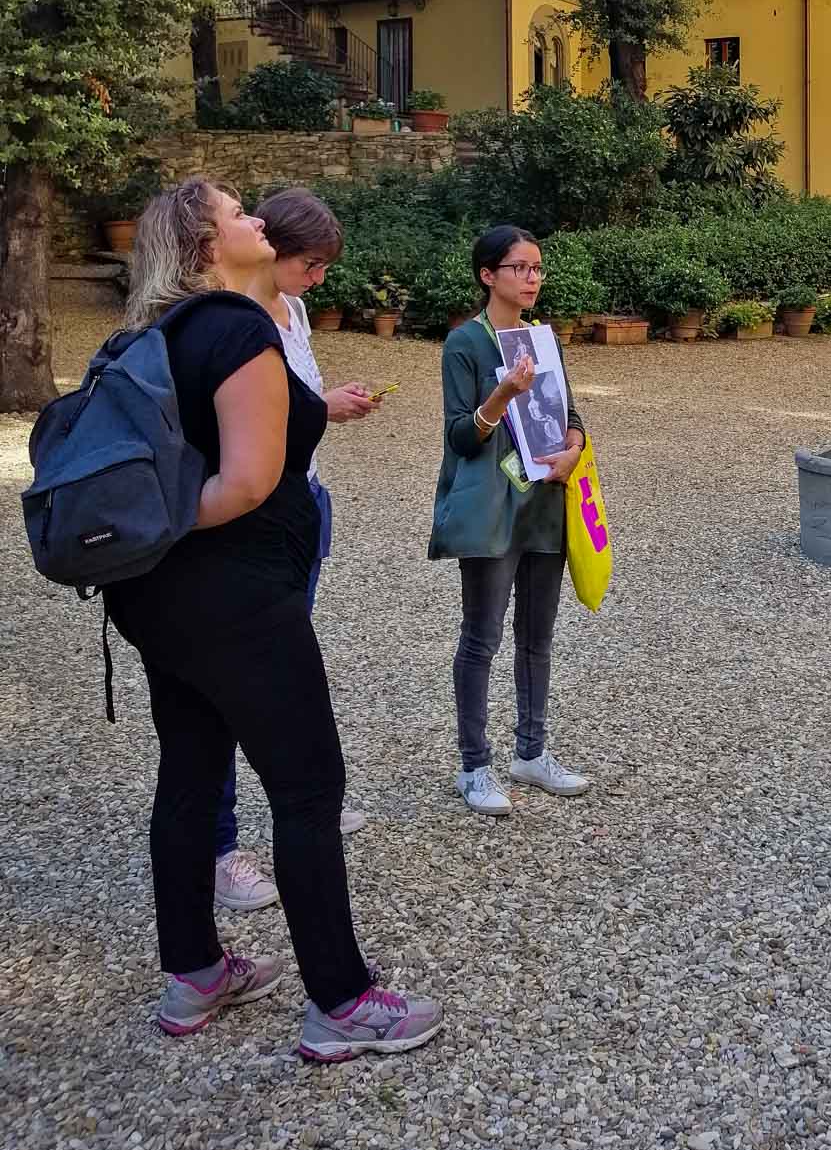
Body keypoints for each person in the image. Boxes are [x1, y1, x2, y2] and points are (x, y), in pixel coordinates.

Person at [103, 178, 441, 1058]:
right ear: (206, 245)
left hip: (156, 598)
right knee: (308, 789)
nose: (256, 218)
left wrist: (147, 537)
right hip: (238, 597)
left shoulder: (153, 332)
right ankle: (342, 1001)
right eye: (235, 213)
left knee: (188, 776)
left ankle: (194, 975)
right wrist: (166, 522)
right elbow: (249, 482)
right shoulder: (238, 329)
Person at [210, 188, 378, 915]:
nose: (318, 278)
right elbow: (251, 421)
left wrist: (327, 401)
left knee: (288, 671)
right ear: (269, 247)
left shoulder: (294, 311)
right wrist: (320, 407)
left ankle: (301, 803)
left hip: (302, 502)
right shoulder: (226, 319)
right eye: (310, 265)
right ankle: (220, 846)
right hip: (249, 518)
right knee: (227, 685)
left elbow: (296, 402)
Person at [431, 225, 591, 817]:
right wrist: (501, 394)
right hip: (492, 507)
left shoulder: (543, 338)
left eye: (537, 268)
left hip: (544, 501)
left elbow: (571, 415)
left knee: (537, 638)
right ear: (487, 275)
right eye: (520, 268)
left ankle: (532, 752)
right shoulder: (465, 344)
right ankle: (473, 766)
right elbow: (459, 436)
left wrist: (573, 449)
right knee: (482, 637)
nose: (532, 278)